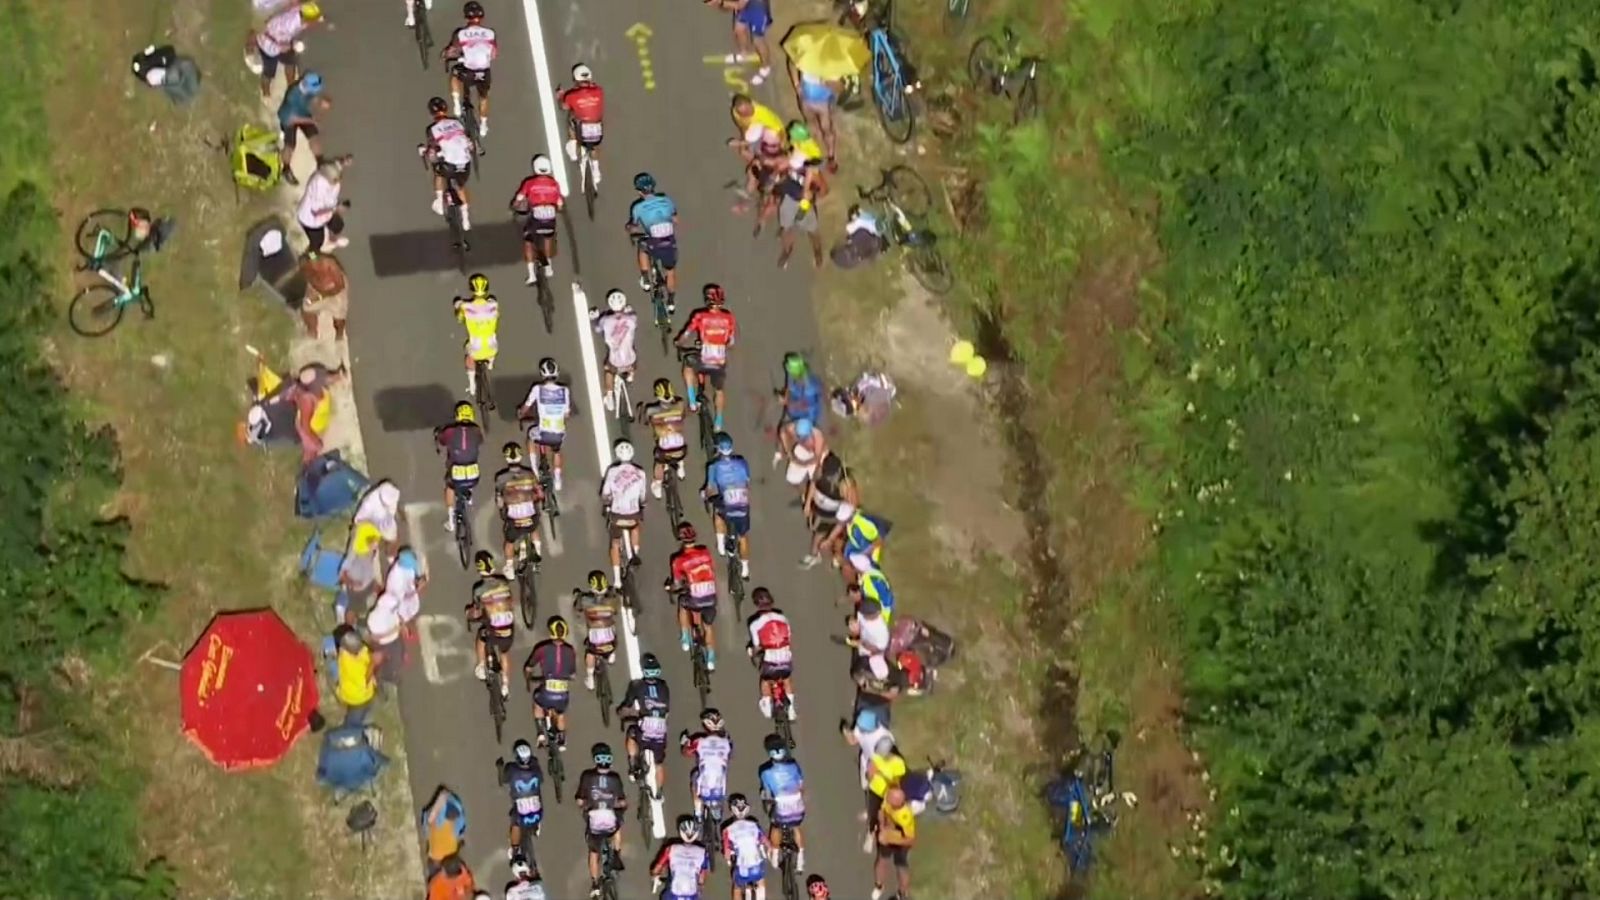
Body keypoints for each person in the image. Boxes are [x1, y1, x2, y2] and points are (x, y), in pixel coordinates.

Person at [675, 284, 737, 428]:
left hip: (703, 359)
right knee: (719, 391)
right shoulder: (729, 318)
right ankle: (719, 420)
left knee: (688, 366)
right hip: (719, 362)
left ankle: (692, 402)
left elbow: (686, 334)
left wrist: (678, 342)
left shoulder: (700, 316)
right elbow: (731, 342)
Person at [576, 742, 629, 897]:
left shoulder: (587, 776)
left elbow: (580, 801)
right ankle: (617, 854)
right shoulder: (615, 778)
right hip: (610, 822)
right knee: (618, 826)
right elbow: (622, 801)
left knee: (593, 852)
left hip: (594, 823)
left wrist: (586, 805)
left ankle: (594, 883)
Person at [617, 652, 672, 798]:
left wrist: (622, 712)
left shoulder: (637, 685)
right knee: (659, 763)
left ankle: (633, 763)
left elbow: (628, 704)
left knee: (632, 733)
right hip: (661, 728)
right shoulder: (664, 686)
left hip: (646, 726)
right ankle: (660, 793)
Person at [667, 523, 720, 668]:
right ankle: (711, 659)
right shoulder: (705, 552)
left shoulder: (678, 560)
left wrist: (670, 588)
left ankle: (685, 637)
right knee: (708, 627)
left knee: (682, 604)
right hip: (711, 598)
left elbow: (677, 584)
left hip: (695, 599)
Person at [516, 358, 573, 492]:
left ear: (542, 374)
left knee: (530, 437)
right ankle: (558, 479)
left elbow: (526, 407)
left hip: (543, 432)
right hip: (558, 433)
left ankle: (534, 470)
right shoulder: (564, 391)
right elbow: (567, 414)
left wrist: (521, 413)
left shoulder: (537, 389)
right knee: (556, 451)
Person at [842, 708, 894, 851]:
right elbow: (853, 739)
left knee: (876, 799)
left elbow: (876, 764)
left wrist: (871, 775)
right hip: (866, 763)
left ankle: (872, 834)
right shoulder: (862, 726)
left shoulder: (884, 740)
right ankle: (871, 811)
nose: (859, 730)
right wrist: (846, 731)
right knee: (867, 792)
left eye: (862, 729)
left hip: (880, 772)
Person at [702, 431, 752, 578]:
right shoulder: (742, 462)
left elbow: (710, 487)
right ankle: (745, 568)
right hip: (743, 505)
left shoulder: (714, 466)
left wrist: (704, 495)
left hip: (727, 504)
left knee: (718, 513)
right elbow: (747, 481)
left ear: (717, 449)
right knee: (743, 537)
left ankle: (721, 544)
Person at [626, 172, 680, 309]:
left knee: (642, 247)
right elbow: (675, 219)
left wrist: (629, 228)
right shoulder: (666, 200)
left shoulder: (638, 207)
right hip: (669, 242)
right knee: (670, 271)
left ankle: (645, 279)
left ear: (639, 191)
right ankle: (671, 301)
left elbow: (634, 226)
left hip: (653, 242)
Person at [600, 439, 649, 586]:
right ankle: (635, 551)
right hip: (633, 514)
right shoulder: (640, 472)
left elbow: (605, 493)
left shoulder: (612, 471)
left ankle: (616, 579)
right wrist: (642, 503)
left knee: (615, 543)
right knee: (636, 526)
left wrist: (606, 501)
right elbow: (643, 495)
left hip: (617, 515)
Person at [442, 2, 496, 136]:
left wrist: (446, 56)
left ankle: (456, 105)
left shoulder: (461, 34)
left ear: (466, 17)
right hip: (484, 71)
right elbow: (494, 54)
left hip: (468, 70)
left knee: (455, 73)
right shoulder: (490, 33)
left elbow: (452, 51)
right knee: (483, 97)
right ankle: (483, 126)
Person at [523, 616, 577, 748]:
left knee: (537, 703)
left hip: (547, 690)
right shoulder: (570, 650)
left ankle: (541, 734)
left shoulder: (542, 648)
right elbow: (572, 673)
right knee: (560, 714)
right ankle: (562, 739)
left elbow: (529, 666)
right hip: (562, 693)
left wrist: (528, 679)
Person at [466, 551, 516, 695]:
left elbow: (476, 610)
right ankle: (505, 685)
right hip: (508, 626)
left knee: (481, 638)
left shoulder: (479, 589)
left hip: (493, 626)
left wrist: (469, 615)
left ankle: (481, 666)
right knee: (504, 653)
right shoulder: (504, 581)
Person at [249, 1, 324, 97]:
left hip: (267, 36)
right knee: (270, 71)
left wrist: (317, 17)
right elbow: (284, 47)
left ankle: (278, 88)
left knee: (289, 62)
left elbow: (297, 5)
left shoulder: (294, 10)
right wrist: (294, 45)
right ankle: (268, 91)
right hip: (270, 48)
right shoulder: (293, 24)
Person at [422, 96, 475, 227]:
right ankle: (466, 217)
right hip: (465, 166)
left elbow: (432, 150)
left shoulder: (432, 129)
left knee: (438, 172)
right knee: (460, 186)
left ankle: (439, 202)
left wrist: (424, 152)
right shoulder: (457, 123)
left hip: (449, 166)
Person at [510, 155, 564, 283]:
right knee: (548, 237)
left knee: (528, 241)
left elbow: (519, 197)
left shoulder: (530, 183)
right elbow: (560, 203)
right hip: (550, 217)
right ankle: (549, 267)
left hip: (536, 217)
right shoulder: (554, 184)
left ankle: (531, 274)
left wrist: (514, 206)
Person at [494, 443, 545, 577]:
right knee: (534, 528)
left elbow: (499, 499)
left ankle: (509, 567)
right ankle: (538, 551)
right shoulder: (529, 474)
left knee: (509, 541)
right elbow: (540, 494)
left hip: (514, 518)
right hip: (530, 516)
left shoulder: (500, 478)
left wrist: (502, 511)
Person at [758, 733, 807, 870]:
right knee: (796, 826)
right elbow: (801, 786)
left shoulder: (765, 772)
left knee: (775, 826)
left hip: (781, 810)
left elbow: (767, 793)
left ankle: (774, 853)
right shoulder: (793, 765)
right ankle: (801, 857)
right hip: (797, 807)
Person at [801, 450, 858, 568]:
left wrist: (830, 539)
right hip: (819, 510)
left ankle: (832, 556)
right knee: (818, 531)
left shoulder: (845, 485)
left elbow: (850, 511)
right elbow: (813, 483)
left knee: (829, 536)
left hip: (833, 515)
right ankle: (817, 553)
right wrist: (808, 503)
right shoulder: (821, 471)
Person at [434, 401, 484, 534]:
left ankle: (451, 521)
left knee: (449, 487)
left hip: (457, 474)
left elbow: (442, 440)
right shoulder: (476, 430)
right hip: (474, 475)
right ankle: (469, 495)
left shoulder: (450, 431)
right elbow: (480, 441)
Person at [746, 588, 795, 719]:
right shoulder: (783, 618)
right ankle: (791, 711)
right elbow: (789, 638)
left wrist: (751, 653)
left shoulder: (755, 623)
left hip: (770, 661)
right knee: (787, 679)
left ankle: (767, 706)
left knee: (765, 680)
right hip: (785, 658)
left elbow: (757, 646)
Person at [679, 709, 733, 823]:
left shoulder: (699, 741)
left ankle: (698, 812)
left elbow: (686, 752)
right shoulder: (726, 741)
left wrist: (684, 743)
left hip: (704, 782)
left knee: (694, 776)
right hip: (720, 785)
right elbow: (730, 755)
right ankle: (717, 811)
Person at [276, 71, 330, 182]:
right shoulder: (293, 96)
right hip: (289, 119)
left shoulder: (306, 87)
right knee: (290, 145)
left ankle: (321, 163)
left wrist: (321, 102)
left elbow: (312, 98)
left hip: (302, 113)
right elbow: (293, 119)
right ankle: (285, 169)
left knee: (314, 137)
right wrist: (312, 121)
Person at [775, 153, 826, 270]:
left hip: (805, 206)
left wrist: (812, 193)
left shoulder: (814, 174)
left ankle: (818, 254)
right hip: (788, 200)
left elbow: (824, 191)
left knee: (812, 231)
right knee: (786, 228)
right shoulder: (789, 164)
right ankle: (787, 251)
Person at [592, 289, 638, 414]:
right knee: (632, 348)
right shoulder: (632, 318)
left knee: (608, 369)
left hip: (615, 361)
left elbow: (597, 329)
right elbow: (633, 317)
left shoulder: (605, 320)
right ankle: (631, 374)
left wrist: (595, 318)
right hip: (630, 359)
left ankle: (609, 396)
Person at [643, 378, 690, 500]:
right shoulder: (679, 405)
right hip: (681, 450)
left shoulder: (651, 410)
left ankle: (657, 484)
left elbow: (646, 421)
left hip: (665, 450)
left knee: (659, 462)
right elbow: (684, 416)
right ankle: (681, 466)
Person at [454, 272, 499, 398]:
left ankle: (472, 385)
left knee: (468, 355)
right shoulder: (493, 305)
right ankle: (490, 364)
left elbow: (459, 319)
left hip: (476, 349)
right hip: (492, 348)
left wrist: (458, 306)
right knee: (492, 340)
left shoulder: (466, 307)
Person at [574, 571, 621, 691]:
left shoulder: (585, 600)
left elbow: (577, 608)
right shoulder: (612, 599)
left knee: (590, 653)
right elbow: (615, 611)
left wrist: (578, 596)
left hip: (596, 644)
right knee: (611, 625)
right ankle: (611, 654)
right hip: (612, 643)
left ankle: (590, 678)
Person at [296, 154, 352, 253]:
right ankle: (309, 258)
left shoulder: (331, 174)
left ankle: (332, 240)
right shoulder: (318, 187)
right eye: (336, 179)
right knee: (317, 243)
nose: (338, 181)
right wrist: (336, 208)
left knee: (338, 225)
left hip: (328, 211)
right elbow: (316, 212)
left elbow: (337, 164)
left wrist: (344, 161)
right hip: (310, 220)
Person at [789, 64, 840, 171]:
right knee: (810, 123)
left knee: (826, 128)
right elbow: (792, 63)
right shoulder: (808, 59)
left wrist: (827, 82)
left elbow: (840, 87)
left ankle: (831, 155)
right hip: (806, 100)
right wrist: (796, 84)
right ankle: (814, 143)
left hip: (823, 104)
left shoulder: (834, 68)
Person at [560, 64, 606, 183]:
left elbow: (564, 107)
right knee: (594, 147)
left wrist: (560, 95)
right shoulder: (599, 91)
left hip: (581, 129)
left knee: (571, 117)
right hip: (597, 132)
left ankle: (573, 144)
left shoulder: (571, 95)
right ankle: (596, 171)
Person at [709, 0, 772, 85]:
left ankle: (766, 67)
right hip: (747, 5)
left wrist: (721, 3)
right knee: (739, 29)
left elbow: (739, 5)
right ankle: (744, 53)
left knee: (758, 40)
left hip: (758, 9)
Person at [500, 740, 545, 857]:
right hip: (536, 810)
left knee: (515, 823)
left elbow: (504, 780)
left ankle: (515, 848)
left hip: (521, 810)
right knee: (538, 799)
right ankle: (536, 826)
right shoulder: (535, 767)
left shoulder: (511, 769)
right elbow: (541, 779)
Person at [721, 794, 770, 898]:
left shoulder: (727, 830)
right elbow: (766, 842)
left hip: (742, 870)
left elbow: (726, 855)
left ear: (731, 810)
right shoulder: (754, 825)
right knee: (761, 881)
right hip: (756, 867)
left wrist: (729, 860)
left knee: (737, 887)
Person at [651, 816, 711, 900]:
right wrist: (700, 886)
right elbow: (702, 877)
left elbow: (658, 867)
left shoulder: (671, 849)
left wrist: (655, 875)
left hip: (673, 894)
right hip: (692, 894)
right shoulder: (703, 852)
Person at [865, 736, 908, 851]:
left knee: (888, 817)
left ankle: (888, 839)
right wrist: (871, 773)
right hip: (875, 791)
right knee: (872, 813)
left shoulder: (898, 763)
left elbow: (896, 784)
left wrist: (882, 775)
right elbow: (869, 776)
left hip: (888, 795)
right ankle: (870, 833)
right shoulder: (876, 757)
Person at [873, 785, 915, 900]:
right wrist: (882, 827)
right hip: (888, 834)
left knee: (901, 868)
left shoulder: (905, 817)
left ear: (897, 803)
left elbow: (910, 840)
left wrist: (890, 839)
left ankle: (902, 893)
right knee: (882, 859)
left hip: (901, 842)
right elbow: (881, 811)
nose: (886, 797)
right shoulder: (887, 800)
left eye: (889, 797)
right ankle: (879, 885)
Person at [299, 250, 348, 340]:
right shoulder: (309, 267)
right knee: (307, 309)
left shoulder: (330, 266)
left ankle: (339, 336)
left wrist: (320, 297)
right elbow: (311, 252)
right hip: (319, 290)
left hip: (336, 293)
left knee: (339, 318)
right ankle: (312, 333)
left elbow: (340, 286)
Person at [334, 626, 376, 724]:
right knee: (353, 721)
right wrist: (373, 663)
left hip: (350, 689)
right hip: (358, 698)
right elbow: (364, 681)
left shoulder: (343, 653)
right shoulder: (354, 668)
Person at [422, 787, 469, 875]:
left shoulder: (444, 825)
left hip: (437, 848)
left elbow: (443, 795)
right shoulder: (456, 824)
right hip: (437, 856)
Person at [729, 94, 785, 163]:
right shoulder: (736, 112)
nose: (745, 115)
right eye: (742, 114)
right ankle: (757, 157)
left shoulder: (763, 114)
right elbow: (742, 126)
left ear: (750, 104)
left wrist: (781, 146)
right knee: (744, 150)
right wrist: (743, 141)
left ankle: (766, 153)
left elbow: (780, 130)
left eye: (747, 111)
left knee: (770, 136)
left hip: (773, 131)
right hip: (758, 127)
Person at [778, 353, 825, 434]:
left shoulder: (809, 387)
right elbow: (789, 387)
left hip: (807, 413)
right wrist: (786, 396)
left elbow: (805, 405)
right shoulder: (793, 375)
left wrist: (787, 403)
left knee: (785, 431)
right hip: (797, 401)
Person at [780, 417, 827, 495]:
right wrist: (789, 452)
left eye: (805, 437)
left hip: (816, 456)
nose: (802, 439)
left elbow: (817, 458)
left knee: (818, 479)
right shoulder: (793, 427)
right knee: (791, 477)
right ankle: (803, 492)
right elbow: (782, 431)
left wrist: (804, 463)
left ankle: (813, 495)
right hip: (802, 451)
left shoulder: (817, 436)